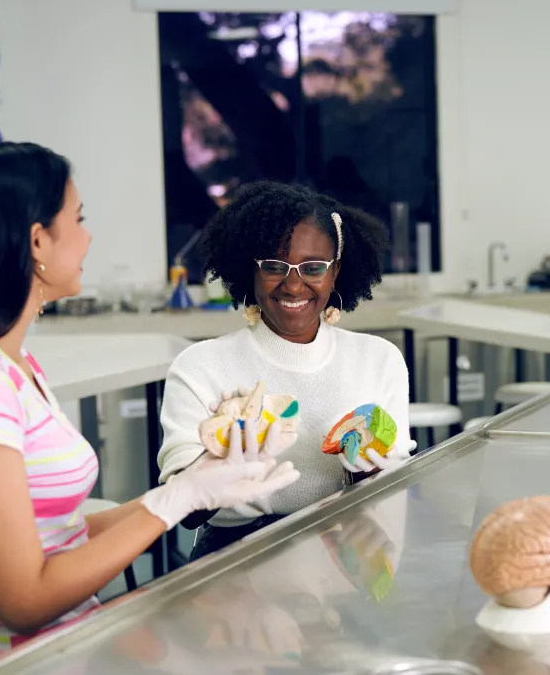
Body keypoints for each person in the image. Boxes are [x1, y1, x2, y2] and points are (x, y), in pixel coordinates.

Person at [0, 142, 300, 675]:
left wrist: (190, 487)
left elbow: (60, 534)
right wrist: (176, 499)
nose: (87, 237)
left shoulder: (14, 365)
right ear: (38, 240)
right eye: (78, 220)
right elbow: (22, 602)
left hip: (64, 650)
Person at [157, 180, 415, 561]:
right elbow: (185, 512)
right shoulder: (200, 366)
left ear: (335, 272)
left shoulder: (379, 360)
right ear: (251, 269)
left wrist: (364, 470)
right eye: (275, 266)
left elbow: (394, 493)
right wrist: (225, 460)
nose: (294, 286)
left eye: (313, 268)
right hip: (234, 562)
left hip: (345, 555)